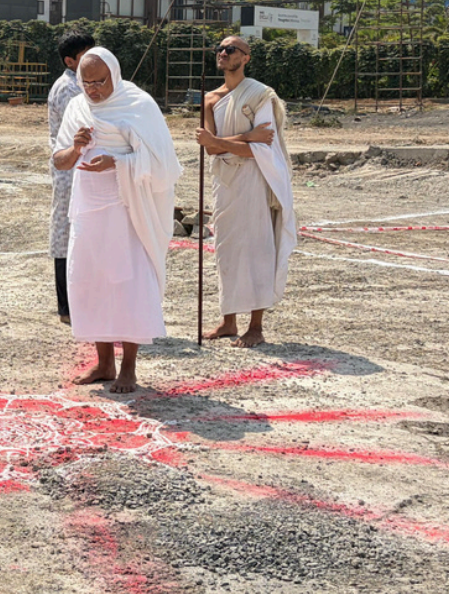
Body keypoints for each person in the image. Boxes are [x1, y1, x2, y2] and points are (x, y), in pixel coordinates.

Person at [53, 47, 182, 393]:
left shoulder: (139, 105)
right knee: (89, 281)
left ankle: (128, 368)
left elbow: (164, 163)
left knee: (127, 282)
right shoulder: (77, 106)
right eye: (87, 82)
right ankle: (104, 362)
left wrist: (118, 162)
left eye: (100, 82)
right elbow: (60, 161)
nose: (93, 90)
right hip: (87, 209)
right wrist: (77, 148)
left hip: (127, 209)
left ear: (115, 74)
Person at [195, 35, 296, 348]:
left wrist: (230, 143)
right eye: (221, 49)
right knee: (226, 248)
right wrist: (246, 137)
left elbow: (263, 150)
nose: (223, 54)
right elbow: (209, 148)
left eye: (231, 50)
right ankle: (228, 321)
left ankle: (255, 326)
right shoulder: (210, 98)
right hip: (224, 181)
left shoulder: (260, 95)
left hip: (253, 179)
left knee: (256, 248)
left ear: (246, 58)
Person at [48, 30, 95, 325]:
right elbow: (82, 129)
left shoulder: (82, 84)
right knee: (66, 234)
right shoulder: (68, 90)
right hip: (70, 166)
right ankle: (67, 307)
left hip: (84, 165)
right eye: (85, 56)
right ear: (70, 61)